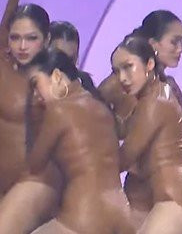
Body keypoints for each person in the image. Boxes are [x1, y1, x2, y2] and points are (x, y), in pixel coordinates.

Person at [98, 10, 182, 223]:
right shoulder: (119, 85)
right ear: (153, 44)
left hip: (169, 189)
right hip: (144, 192)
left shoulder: (166, 88)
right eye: (174, 42)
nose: (180, 49)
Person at [24, 48, 134, 234]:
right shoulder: (101, 108)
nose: (35, 94)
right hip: (121, 214)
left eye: (36, 84)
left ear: (57, 76)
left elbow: (35, 165)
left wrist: (32, 113)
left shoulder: (59, 111)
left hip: (85, 215)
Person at [115, 36, 182, 233]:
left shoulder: (155, 102)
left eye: (128, 67)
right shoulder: (160, 93)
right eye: (117, 71)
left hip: (178, 199)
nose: (122, 78)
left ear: (149, 64)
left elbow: (124, 158)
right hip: (179, 197)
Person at [0, 0, 63, 233]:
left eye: (31, 38)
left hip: (38, 186)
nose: (22, 46)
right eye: (16, 38)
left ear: (46, 40)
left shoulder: (59, 81)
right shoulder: (4, 69)